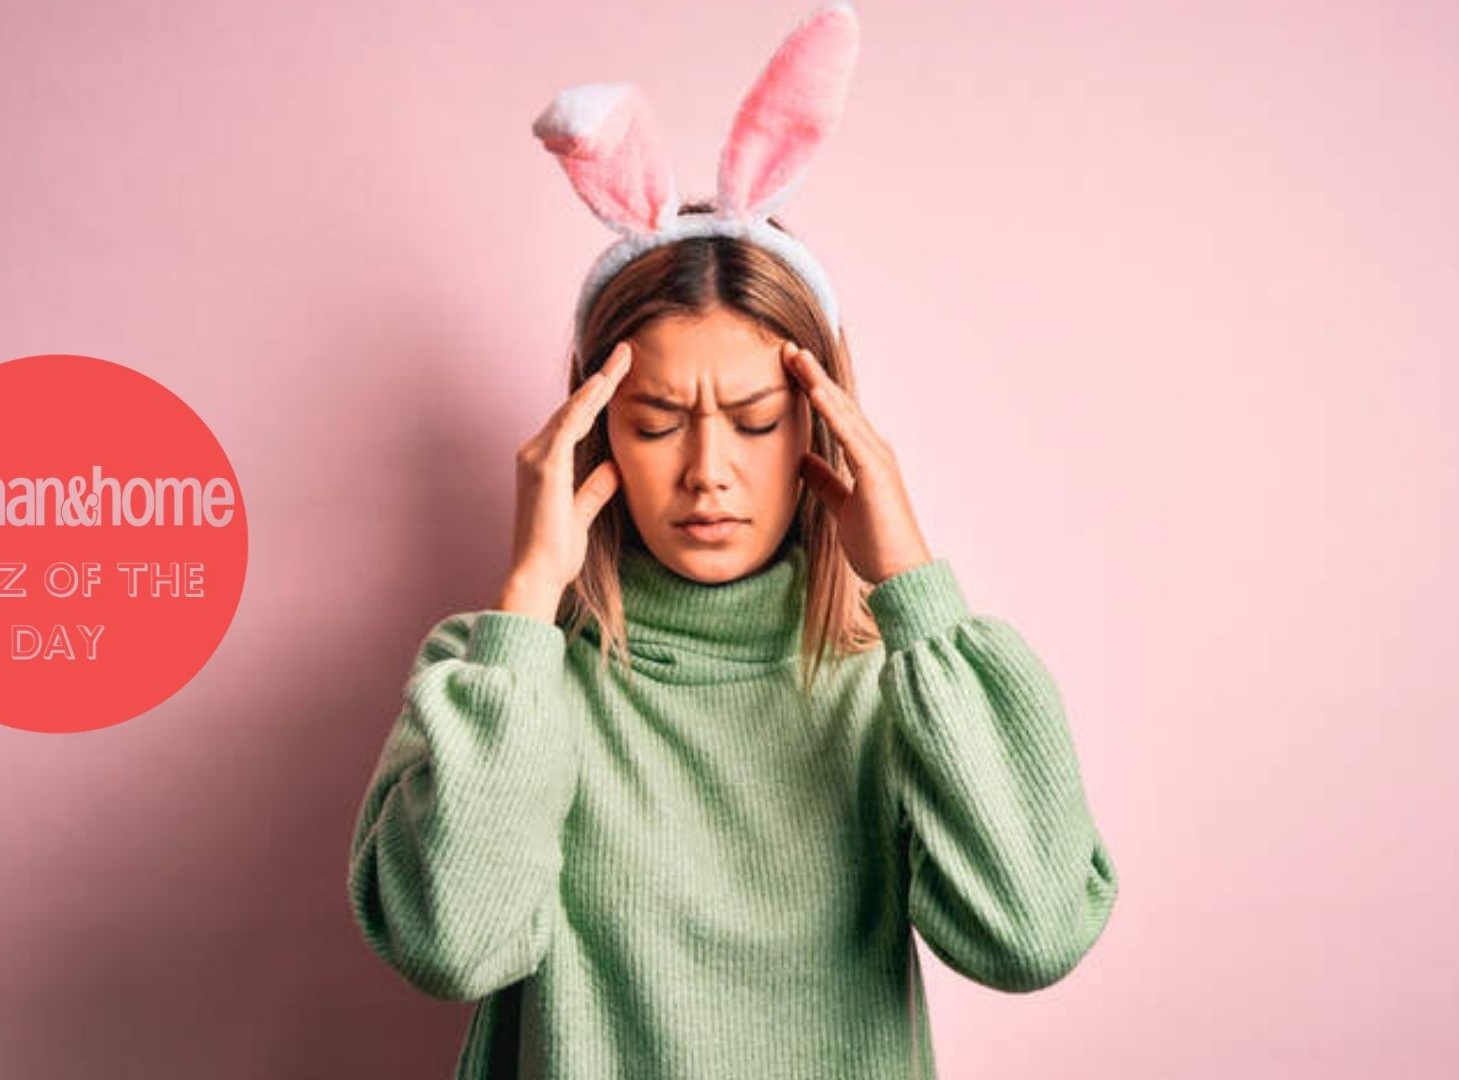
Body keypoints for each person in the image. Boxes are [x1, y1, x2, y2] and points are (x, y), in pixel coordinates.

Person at [346, 5, 1119, 1077]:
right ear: (592, 427)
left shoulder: (895, 686)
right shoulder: (497, 677)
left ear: (822, 422)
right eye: (657, 423)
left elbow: (1032, 935)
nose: (708, 470)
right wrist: (527, 600)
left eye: (756, 423)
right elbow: (453, 947)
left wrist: (914, 592)